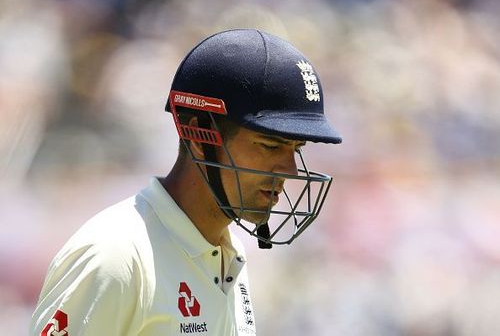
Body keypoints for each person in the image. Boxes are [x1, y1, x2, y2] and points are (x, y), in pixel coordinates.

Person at [30, 29, 342, 335]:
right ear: (198, 134)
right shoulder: (117, 257)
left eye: (296, 149)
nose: (290, 171)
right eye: (270, 146)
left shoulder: (229, 258)